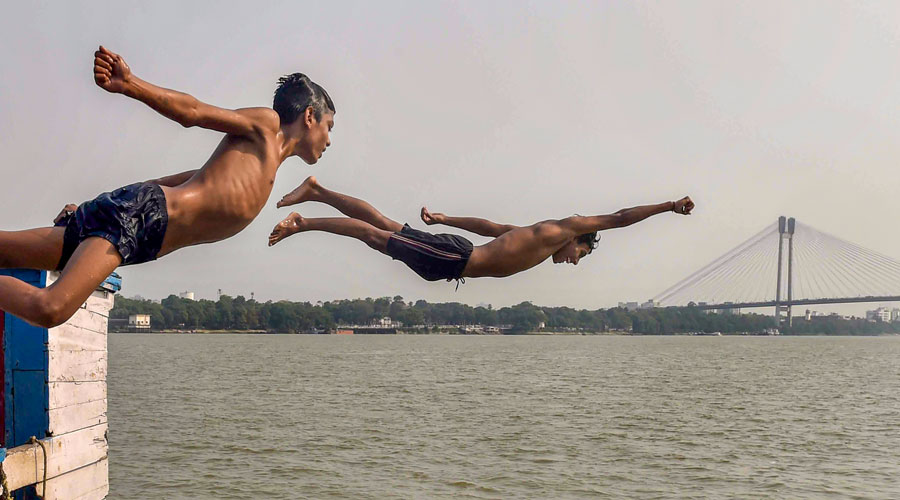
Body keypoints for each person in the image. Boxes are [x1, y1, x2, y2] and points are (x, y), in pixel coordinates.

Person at [0, 46, 335, 328]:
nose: (329, 140)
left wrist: (94, 206)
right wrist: (130, 84)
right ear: (309, 116)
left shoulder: (252, 166)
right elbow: (193, 111)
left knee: (7, 251)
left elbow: (175, 181)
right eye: (329, 126)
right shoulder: (266, 125)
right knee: (51, 309)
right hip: (140, 219)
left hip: (141, 234)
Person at [268, 176, 694, 282]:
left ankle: (317, 190)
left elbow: (493, 228)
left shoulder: (539, 240)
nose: (574, 262)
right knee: (375, 235)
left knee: (382, 224)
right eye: (581, 254)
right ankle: (303, 222)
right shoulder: (561, 230)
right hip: (455, 259)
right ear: (579, 240)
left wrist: (442, 218)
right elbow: (620, 218)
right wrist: (669, 206)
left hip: (456, 252)